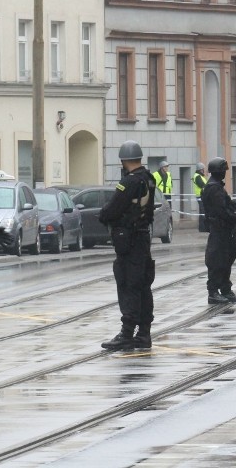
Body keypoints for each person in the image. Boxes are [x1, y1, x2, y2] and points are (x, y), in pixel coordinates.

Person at [98, 140, 157, 350]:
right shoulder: (149, 179)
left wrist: (103, 216)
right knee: (143, 285)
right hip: (143, 238)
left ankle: (127, 333)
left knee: (128, 284)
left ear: (124, 160)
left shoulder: (129, 182)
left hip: (129, 241)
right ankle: (144, 333)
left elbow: (112, 208)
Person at [201, 157, 236, 304]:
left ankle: (226, 289)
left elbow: (224, 206)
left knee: (227, 258)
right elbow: (221, 211)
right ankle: (213, 291)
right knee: (216, 259)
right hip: (220, 229)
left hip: (224, 229)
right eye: (224, 170)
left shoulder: (216, 186)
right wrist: (235, 217)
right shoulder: (214, 188)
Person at [192, 162, 208, 232]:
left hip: (202, 195)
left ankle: (203, 227)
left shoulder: (200, 176)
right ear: (200, 169)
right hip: (200, 195)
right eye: (202, 169)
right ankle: (202, 227)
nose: (203, 170)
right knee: (202, 212)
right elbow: (201, 185)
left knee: (203, 211)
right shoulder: (197, 176)